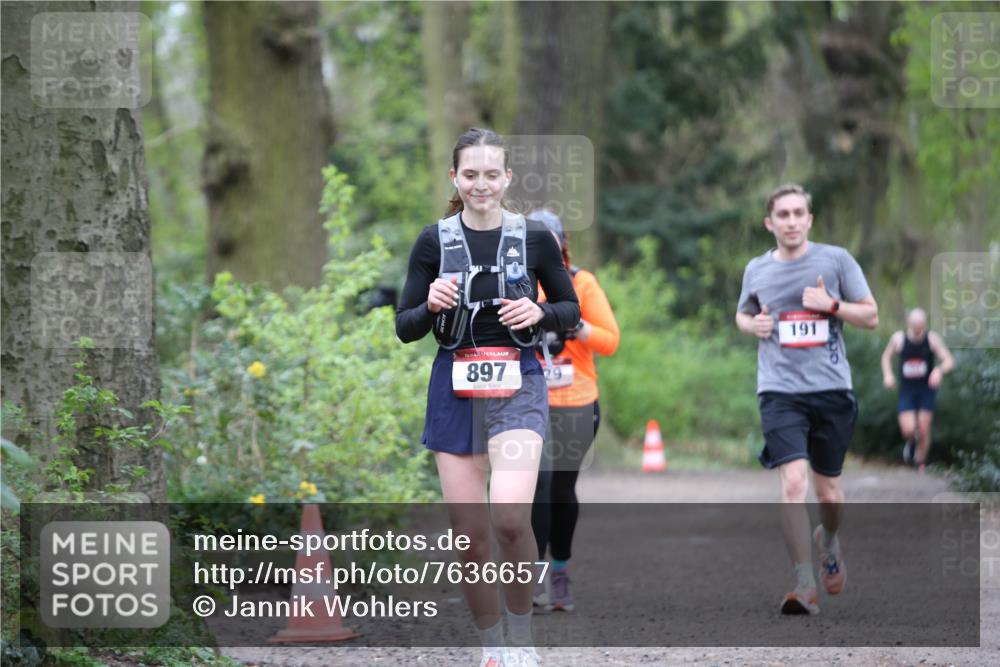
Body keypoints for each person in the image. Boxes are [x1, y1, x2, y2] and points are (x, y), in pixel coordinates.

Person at [395, 128, 580, 667]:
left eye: (491, 174)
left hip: (517, 388)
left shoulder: (535, 240)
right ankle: (491, 646)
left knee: (507, 519)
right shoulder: (434, 241)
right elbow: (405, 327)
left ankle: (522, 640)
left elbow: (571, 311)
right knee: (470, 536)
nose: (481, 184)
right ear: (455, 177)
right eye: (470, 174)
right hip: (454, 391)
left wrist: (541, 312)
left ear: (507, 178)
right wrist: (428, 304)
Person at [735, 183, 878, 615]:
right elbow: (743, 313)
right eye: (783, 214)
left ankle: (829, 541)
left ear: (809, 219)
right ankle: (803, 584)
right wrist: (752, 327)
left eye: (799, 213)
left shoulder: (835, 260)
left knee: (829, 492)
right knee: (793, 483)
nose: (792, 221)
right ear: (769, 223)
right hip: (779, 391)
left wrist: (831, 305)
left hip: (831, 389)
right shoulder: (757, 270)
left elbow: (871, 315)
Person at [527, 210, 620, 613]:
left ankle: (560, 569)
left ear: (562, 244)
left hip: (577, 401)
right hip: (529, 401)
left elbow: (610, 341)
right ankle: (533, 574)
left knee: (562, 489)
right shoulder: (518, 284)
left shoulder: (581, 282)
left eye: (549, 240)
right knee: (539, 483)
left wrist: (576, 325)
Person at [881, 308, 955, 473]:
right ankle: (912, 441)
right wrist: (888, 375)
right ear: (909, 323)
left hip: (926, 389)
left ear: (925, 323)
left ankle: (920, 462)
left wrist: (939, 370)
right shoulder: (899, 339)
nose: (918, 328)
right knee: (908, 429)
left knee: (923, 426)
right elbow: (886, 357)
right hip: (907, 389)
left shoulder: (932, 339)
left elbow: (949, 360)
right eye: (915, 324)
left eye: (921, 324)